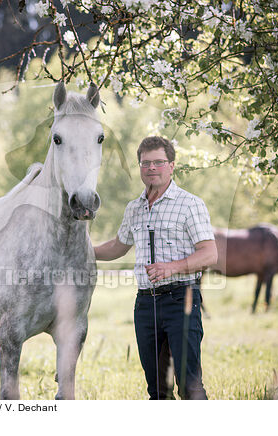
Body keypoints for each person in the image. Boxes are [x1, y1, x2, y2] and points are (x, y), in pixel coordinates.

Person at [93, 136, 217, 400]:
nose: (151, 168)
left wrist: (172, 268)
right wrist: (84, 253)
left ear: (171, 165)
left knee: (190, 386)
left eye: (159, 162)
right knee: (158, 391)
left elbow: (210, 254)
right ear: (139, 167)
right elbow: (118, 246)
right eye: (145, 163)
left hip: (180, 300)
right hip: (145, 305)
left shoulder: (189, 204)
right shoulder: (133, 209)